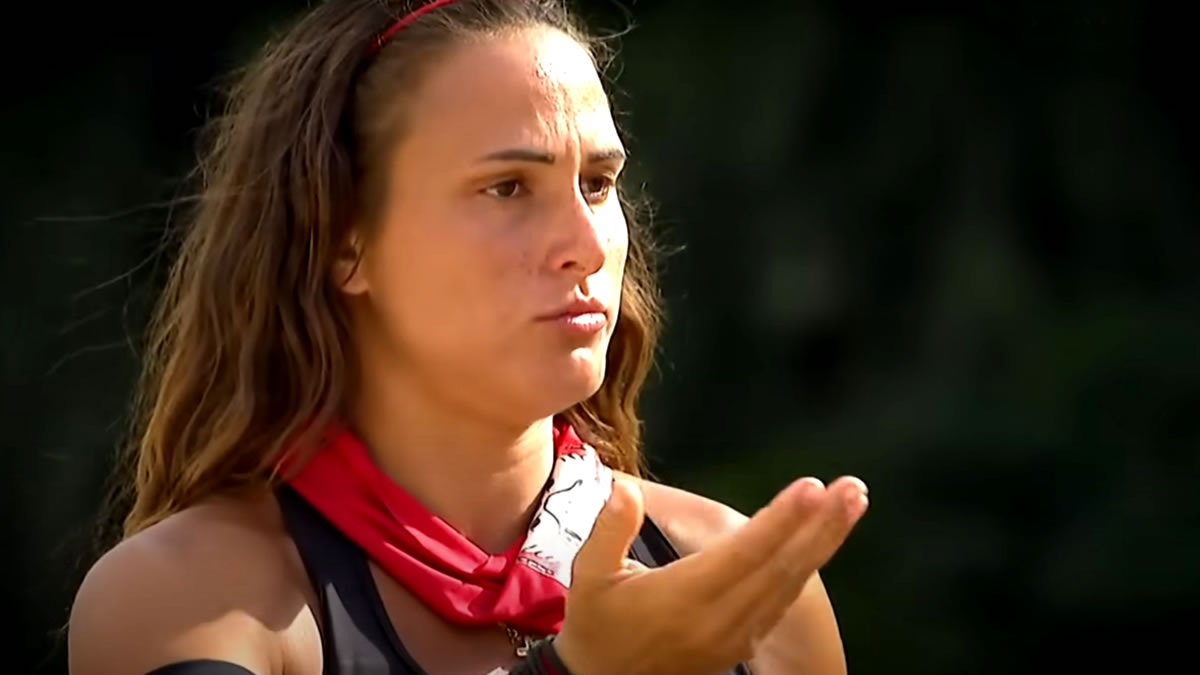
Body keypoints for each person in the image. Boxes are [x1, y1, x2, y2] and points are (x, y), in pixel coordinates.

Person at [67, 1, 870, 673]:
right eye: (508, 187)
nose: (586, 244)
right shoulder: (188, 598)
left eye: (597, 184)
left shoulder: (742, 590)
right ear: (344, 240)